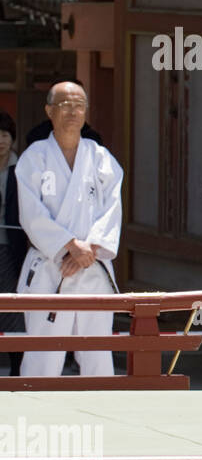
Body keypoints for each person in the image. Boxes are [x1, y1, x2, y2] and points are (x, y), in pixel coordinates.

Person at [15, 81, 123, 378]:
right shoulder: (34, 158)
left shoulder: (100, 158)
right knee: (43, 357)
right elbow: (31, 215)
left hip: (92, 266)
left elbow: (113, 210)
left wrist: (89, 248)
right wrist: (69, 245)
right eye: (64, 105)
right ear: (49, 110)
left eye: (78, 105)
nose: (72, 111)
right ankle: (38, 419)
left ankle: (102, 419)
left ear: (86, 112)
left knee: (97, 356)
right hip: (51, 266)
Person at [0, 112, 27, 375]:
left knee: (11, 304)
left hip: (11, 246)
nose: (1, 141)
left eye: (5, 135)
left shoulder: (23, 169)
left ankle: (17, 366)